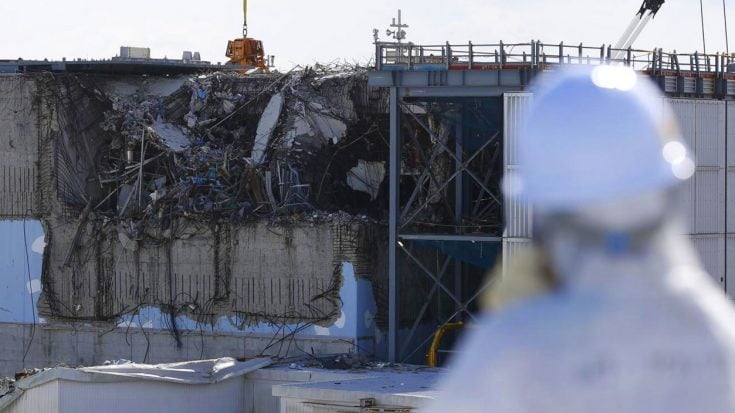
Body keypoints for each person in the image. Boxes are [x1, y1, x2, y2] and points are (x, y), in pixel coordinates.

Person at [426, 65, 735, 412]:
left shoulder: (514, 351)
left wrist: (506, 325)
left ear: (544, 207)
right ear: (668, 189)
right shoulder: (716, 331)